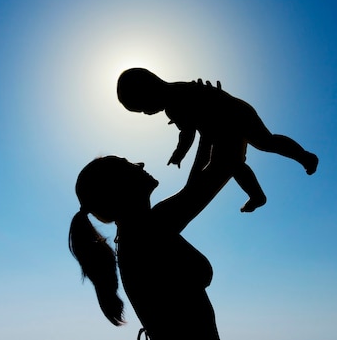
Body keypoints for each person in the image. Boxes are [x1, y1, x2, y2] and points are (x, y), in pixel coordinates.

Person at [69, 148, 234, 339]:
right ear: (119, 186)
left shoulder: (136, 233)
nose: (140, 164)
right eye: (127, 164)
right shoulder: (147, 229)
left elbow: (197, 183)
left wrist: (205, 134)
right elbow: (223, 165)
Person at [117, 67, 319, 213]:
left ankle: (304, 157)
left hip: (235, 115)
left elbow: (191, 135)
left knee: (266, 142)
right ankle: (258, 195)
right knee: (236, 164)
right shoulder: (176, 94)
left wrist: (181, 157)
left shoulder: (175, 101)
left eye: (143, 108)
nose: (147, 113)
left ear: (149, 89)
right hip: (225, 126)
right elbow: (195, 134)